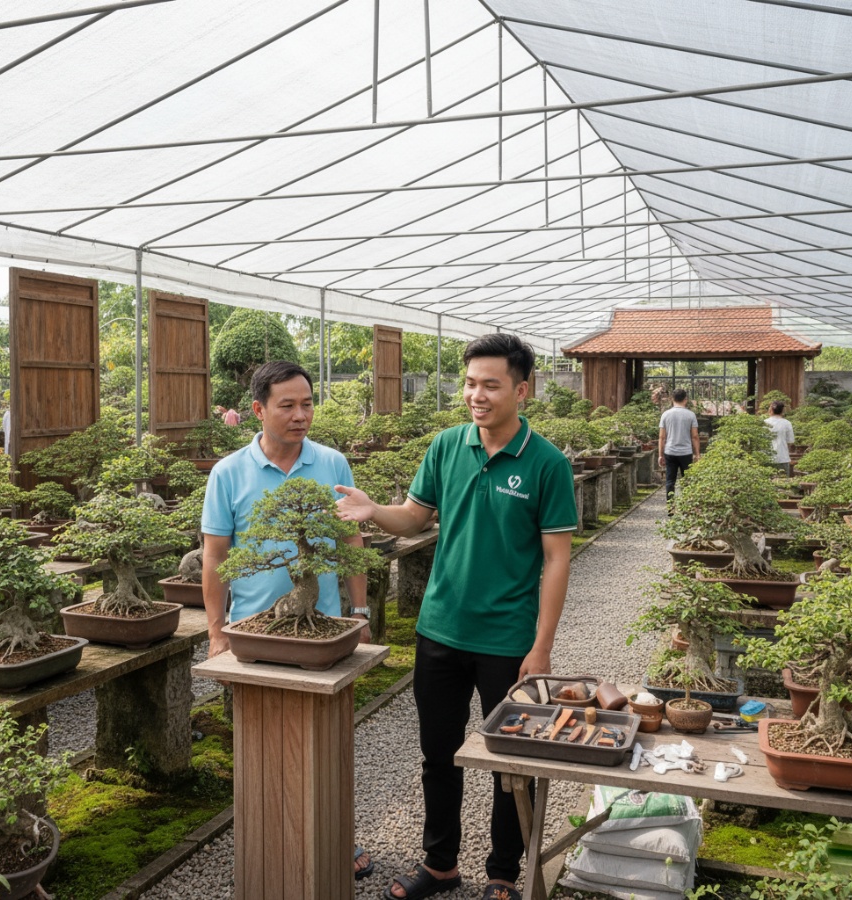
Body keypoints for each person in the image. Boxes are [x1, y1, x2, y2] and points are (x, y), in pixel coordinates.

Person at [335, 334, 577, 900]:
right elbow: (415, 518)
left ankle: (502, 874)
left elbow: (557, 559)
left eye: (490, 385)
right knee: (437, 755)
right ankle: (441, 865)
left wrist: (540, 647)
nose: (476, 395)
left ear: (522, 389)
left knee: (509, 761)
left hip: (508, 640)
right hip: (439, 631)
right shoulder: (446, 447)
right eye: (470, 383)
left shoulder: (547, 464)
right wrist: (374, 510)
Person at [200, 360, 375, 881]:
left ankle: (333, 838)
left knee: (327, 745)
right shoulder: (228, 472)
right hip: (252, 634)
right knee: (259, 747)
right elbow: (213, 557)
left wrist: (358, 611)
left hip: (319, 628)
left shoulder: (332, 463)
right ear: (258, 410)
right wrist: (214, 633)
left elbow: (351, 539)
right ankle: (265, 847)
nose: (301, 415)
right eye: (288, 405)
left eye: (307, 403)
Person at [658, 388, 700, 503]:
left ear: (672, 399)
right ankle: (687, 506)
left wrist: (660, 455)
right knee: (687, 480)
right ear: (685, 399)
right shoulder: (691, 415)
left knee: (670, 480)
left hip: (670, 452)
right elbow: (695, 436)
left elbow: (662, 437)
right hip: (686, 452)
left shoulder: (665, 415)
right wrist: (697, 454)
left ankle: (671, 508)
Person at [765, 400, 795, 476]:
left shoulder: (764, 422)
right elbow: (790, 441)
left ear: (770, 410)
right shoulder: (787, 423)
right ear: (782, 410)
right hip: (783, 457)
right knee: (784, 483)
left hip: (766, 457)